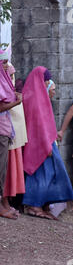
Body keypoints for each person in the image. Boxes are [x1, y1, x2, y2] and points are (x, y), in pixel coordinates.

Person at [21, 67, 73, 220]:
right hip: (38, 144)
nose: (46, 83)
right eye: (45, 80)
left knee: (50, 174)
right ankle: (34, 205)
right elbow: (37, 125)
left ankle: (43, 204)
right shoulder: (33, 98)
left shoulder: (37, 96)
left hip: (45, 142)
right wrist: (45, 145)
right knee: (40, 175)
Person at [0, 51, 23, 220]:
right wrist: (17, 102)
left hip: (5, 128)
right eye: (4, 63)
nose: (7, 67)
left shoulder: (4, 79)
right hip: (1, 129)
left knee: (3, 168)